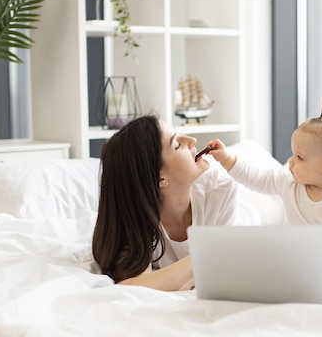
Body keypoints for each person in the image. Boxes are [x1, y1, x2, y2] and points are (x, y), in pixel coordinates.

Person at [92, 115, 239, 291]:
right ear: (159, 179)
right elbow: (131, 286)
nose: (192, 141)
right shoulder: (134, 219)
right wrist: (204, 255)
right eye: (177, 144)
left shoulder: (220, 190)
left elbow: (221, 270)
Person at [207, 101, 322, 257]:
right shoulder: (288, 182)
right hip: (288, 258)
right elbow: (254, 177)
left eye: (300, 157)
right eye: (293, 154)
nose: (291, 161)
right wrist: (226, 158)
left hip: (319, 264)